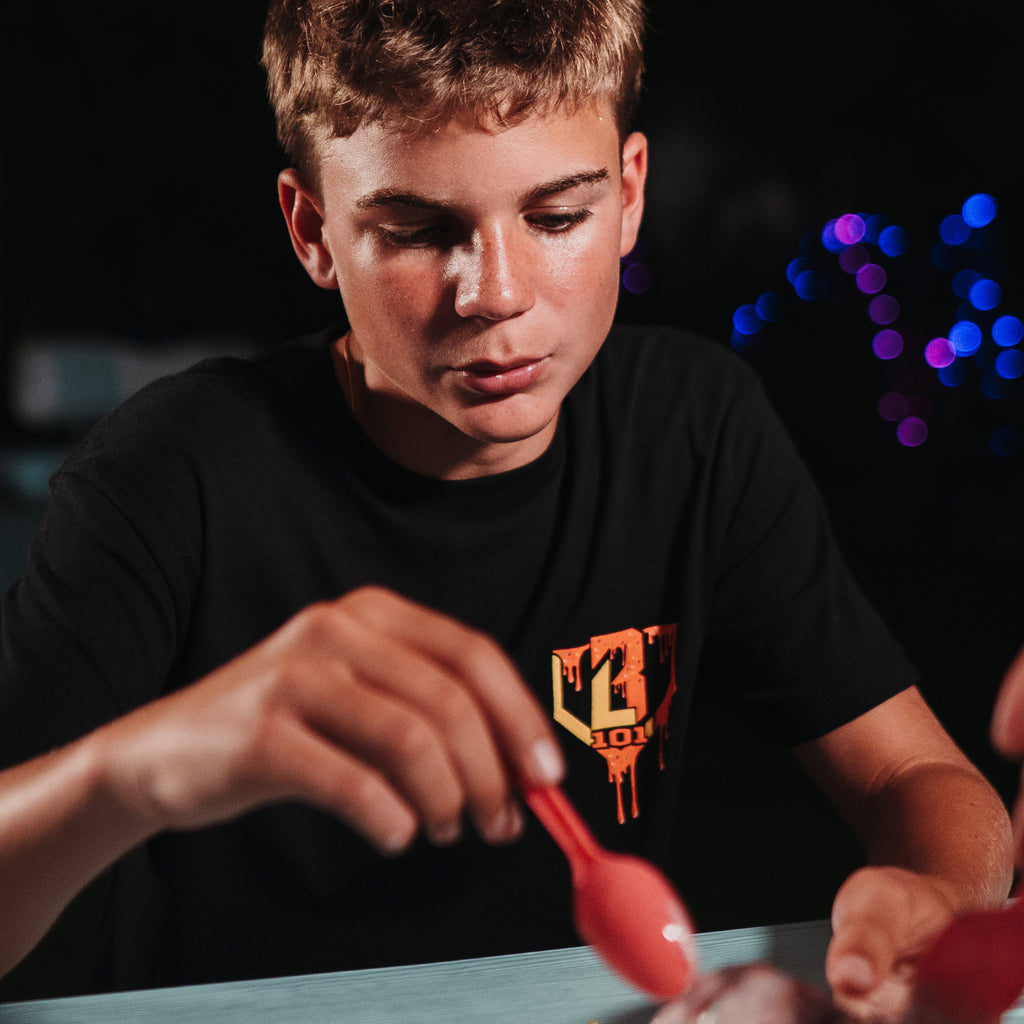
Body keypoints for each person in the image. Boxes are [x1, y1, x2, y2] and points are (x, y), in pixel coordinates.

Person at [0, 0, 1012, 1018]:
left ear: (628, 195)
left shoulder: (692, 427)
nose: (495, 293)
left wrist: (925, 895)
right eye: (418, 230)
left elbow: (915, 774)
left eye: (556, 217)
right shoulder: (173, 471)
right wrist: (135, 773)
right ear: (312, 230)